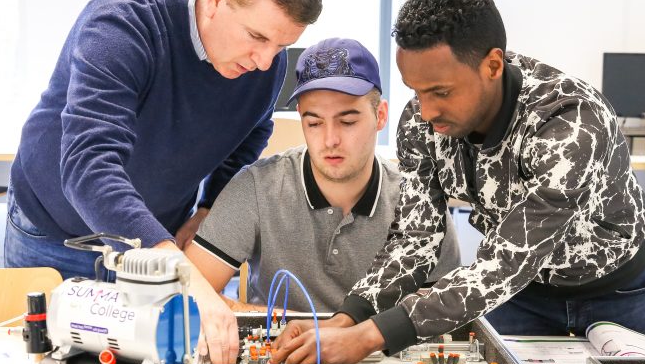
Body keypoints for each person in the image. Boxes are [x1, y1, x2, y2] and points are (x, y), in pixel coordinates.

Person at [272, 0, 645, 364]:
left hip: (617, 289)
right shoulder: (420, 122)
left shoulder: (570, 121)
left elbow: (508, 260)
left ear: (493, 66)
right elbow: (415, 238)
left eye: (441, 92)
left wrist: (369, 337)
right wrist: (348, 319)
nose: (426, 112)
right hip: (522, 294)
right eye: (415, 90)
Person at [5, 0, 322, 364]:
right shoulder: (124, 23)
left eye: (281, 45)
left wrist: (209, 207)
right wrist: (184, 275)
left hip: (158, 242)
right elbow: (88, 166)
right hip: (56, 233)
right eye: (257, 37)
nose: (266, 63)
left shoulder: (264, 66)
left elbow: (251, 130)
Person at [184, 38, 460, 314]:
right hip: (276, 352)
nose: (330, 140)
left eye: (347, 121)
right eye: (314, 122)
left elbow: (443, 317)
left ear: (381, 116)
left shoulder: (420, 202)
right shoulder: (256, 188)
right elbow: (186, 296)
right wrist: (303, 326)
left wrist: (340, 335)